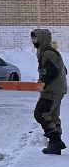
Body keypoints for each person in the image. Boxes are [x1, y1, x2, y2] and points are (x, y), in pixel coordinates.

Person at [31, 27, 66, 155]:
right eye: (32, 38)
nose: (33, 41)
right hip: (57, 89)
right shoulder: (46, 51)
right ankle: (55, 146)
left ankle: (55, 141)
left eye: (35, 38)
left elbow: (53, 71)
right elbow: (64, 70)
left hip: (52, 90)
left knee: (40, 113)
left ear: (42, 38)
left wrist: (44, 82)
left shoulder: (48, 53)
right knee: (52, 116)